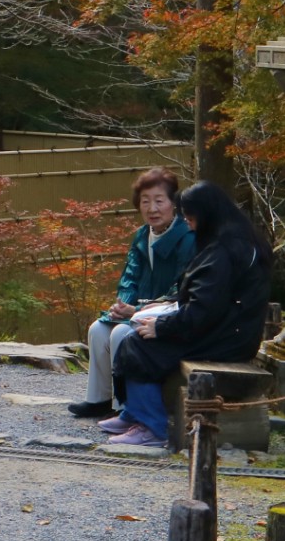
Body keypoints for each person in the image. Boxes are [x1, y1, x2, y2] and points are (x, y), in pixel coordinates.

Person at [101, 180, 274, 448]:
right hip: (233, 332)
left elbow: (203, 310)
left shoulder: (223, 252)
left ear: (205, 215)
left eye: (190, 217)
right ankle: (134, 413)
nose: (188, 223)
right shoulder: (238, 241)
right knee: (138, 337)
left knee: (137, 344)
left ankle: (152, 426)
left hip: (226, 338)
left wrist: (162, 326)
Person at [67, 167, 194, 419]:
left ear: (173, 204)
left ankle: (126, 407)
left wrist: (136, 310)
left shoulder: (187, 238)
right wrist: (122, 304)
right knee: (98, 329)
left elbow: (180, 288)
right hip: (136, 310)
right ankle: (99, 398)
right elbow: (129, 277)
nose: (152, 208)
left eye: (159, 201)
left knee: (122, 333)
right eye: (145, 202)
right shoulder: (141, 236)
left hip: (167, 315)